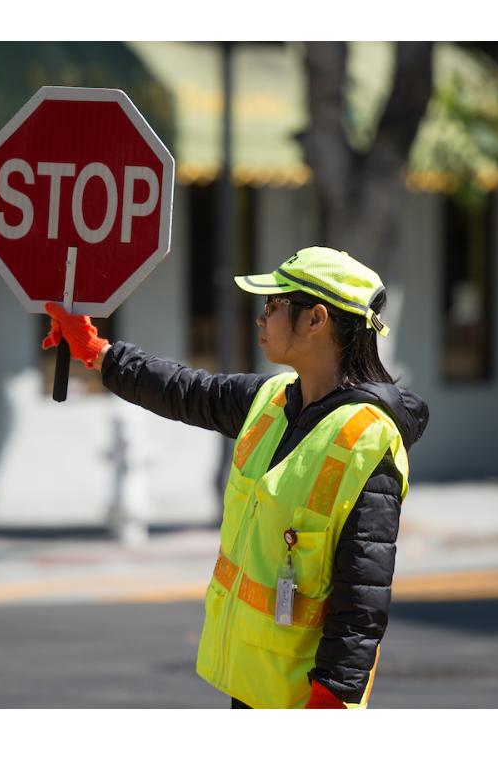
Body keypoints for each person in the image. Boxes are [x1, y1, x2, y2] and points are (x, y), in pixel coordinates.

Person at [42, 246, 428, 708]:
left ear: (316, 319)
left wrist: (330, 702)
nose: (261, 318)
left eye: (273, 305)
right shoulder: (273, 399)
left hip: (304, 701)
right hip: (250, 685)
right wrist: (98, 352)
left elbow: (362, 600)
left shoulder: (369, 442)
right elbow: (185, 390)